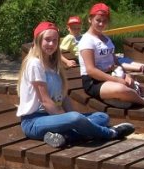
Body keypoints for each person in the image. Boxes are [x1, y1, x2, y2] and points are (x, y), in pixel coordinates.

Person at [18, 21, 135, 149]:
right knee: (75, 118)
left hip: (53, 118)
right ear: (38, 40)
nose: (51, 44)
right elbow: (45, 101)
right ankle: (110, 133)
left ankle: (64, 137)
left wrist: (74, 119)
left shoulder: (53, 64)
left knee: (102, 116)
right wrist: (70, 119)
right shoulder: (34, 63)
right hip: (34, 121)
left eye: (55, 40)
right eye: (47, 40)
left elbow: (64, 97)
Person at [78, 3, 144, 108]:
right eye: (98, 20)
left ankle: (125, 99)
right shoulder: (87, 40)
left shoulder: (106, 39)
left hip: (112, 74)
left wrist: (126, 75)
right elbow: (91, 70)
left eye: (104, 21)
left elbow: (115, 61)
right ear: (90, 19)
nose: (101, 24)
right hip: (94, 81)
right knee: (121, 89)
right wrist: (117, 80)